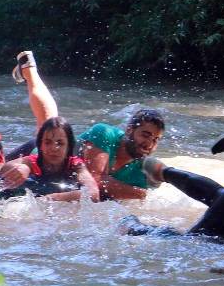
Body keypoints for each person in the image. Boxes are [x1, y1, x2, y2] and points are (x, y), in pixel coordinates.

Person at [10, 51, 165, 200]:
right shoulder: (105, 133)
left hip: (60, 180)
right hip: (39, 156)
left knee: (50, 120)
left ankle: (28, 69)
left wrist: (141, 193)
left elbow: (138, 196)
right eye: (145, 135)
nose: (149, 144)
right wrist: (136, 193)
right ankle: (29, 71)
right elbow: (96, 180)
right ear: (130, 130)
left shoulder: (139, 173)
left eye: (156, 140)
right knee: (50, 124)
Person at [0, 116, 100, 202]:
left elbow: (93, 193)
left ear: (69, 146)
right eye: (47, 142)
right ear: (40, 145)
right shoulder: (33, 162)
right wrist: (23, 168)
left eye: (60, 143)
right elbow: (4, 169)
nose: (54, 148)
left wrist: (53, 198)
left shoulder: (76, 165)